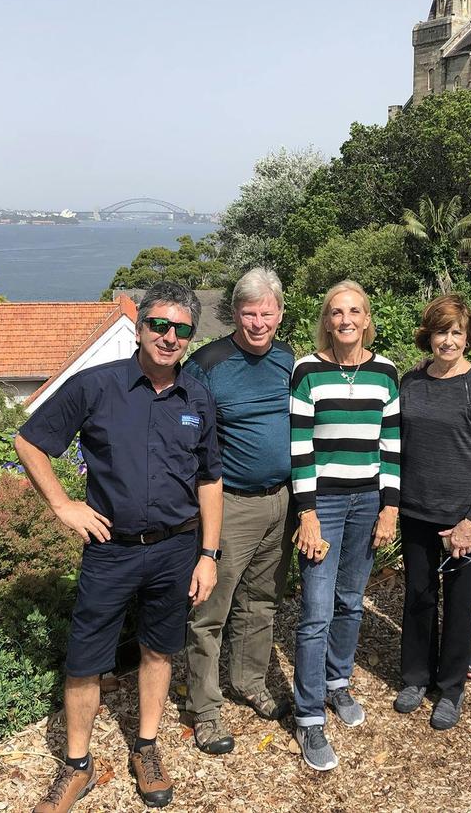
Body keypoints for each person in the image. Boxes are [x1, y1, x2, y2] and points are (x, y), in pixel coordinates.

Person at [16, 282, 224, 812]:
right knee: (85, 661)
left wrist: (208, 554)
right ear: (141, 326)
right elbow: (30, 441)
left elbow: (209, 481)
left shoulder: (197, 397)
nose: (169, 337)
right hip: (111, 550)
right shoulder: (97, 386)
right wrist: (64, 505)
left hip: (177, 549)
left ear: (190, 337)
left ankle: (148, 748)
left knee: (159, 648)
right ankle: (77, 766)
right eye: (159, 324)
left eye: (181, 329)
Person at [182, 268, 295, 754]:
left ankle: (249, 680)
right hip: (229, 505)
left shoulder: (290, 360)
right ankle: (203, 707)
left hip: (283, 501)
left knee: (262, 600)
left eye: (266, 313)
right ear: (234, 314)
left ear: (280, 313)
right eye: (249, 313)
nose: (258, 322)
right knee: (210, 609)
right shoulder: (207, 364)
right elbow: (183, 433)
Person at [290, 279, 400, 771]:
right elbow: (300, 448)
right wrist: (307, 513)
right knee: (316, 611)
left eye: (354, 310)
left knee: (351, 601)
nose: (345, 319)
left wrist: (390, 507)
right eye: (336, 312)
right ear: (327, 319)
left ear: (366, 317)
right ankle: (309, 715)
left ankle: (338, 683)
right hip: (325, 504)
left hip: (368, 500)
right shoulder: (307, 371)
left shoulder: (386, 373)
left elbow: (392, 446)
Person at [394, 295, 471, 730]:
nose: (448, 341)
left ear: (467, 338)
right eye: (441, 331)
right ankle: (416, 677)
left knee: (459, 606)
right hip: (416, 511)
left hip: (460, 521)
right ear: (429, 335)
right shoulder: (411, 382)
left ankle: (452, 686)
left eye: (456, 332)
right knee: (419, 598)